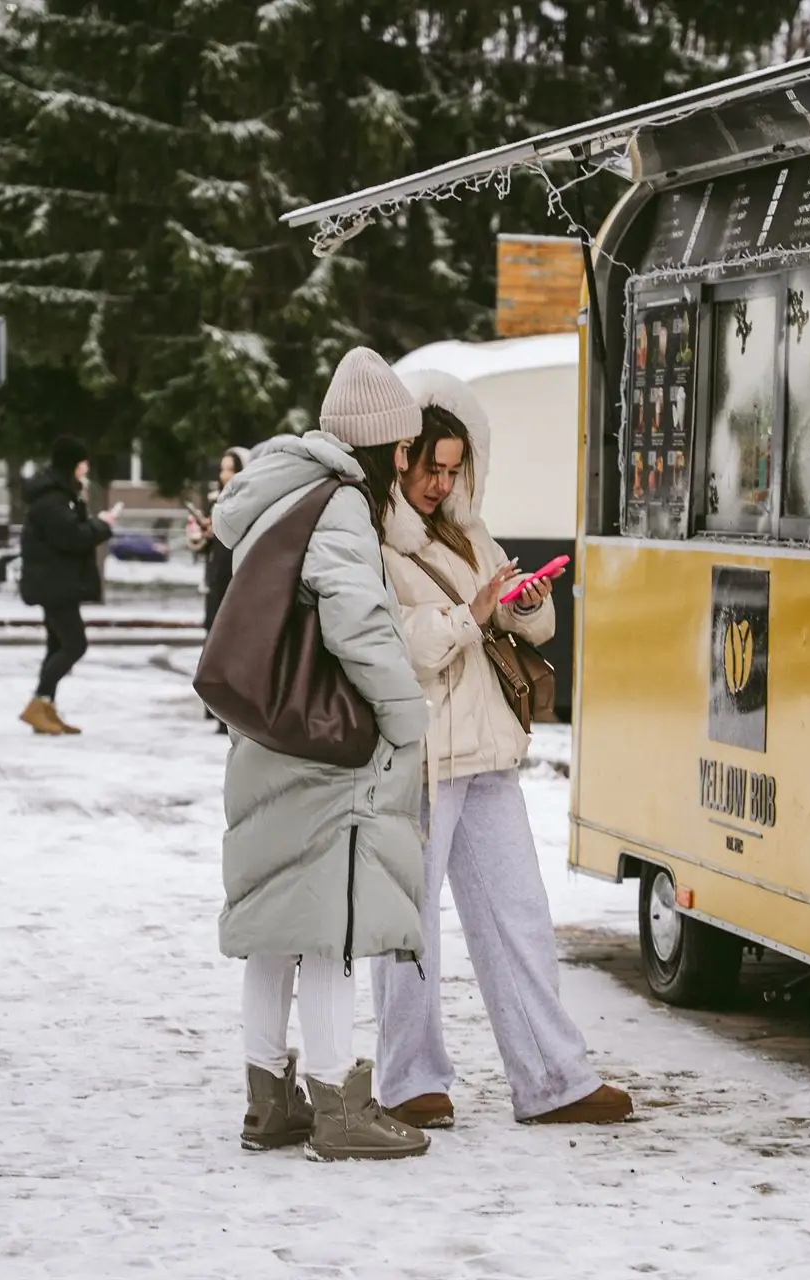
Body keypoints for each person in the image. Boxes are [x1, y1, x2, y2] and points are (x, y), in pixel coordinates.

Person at [373, 369, 634, 1129]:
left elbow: (534, 632)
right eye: (429, 466)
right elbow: (399, 642)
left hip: (485, 747)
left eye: (453, 467)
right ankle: (408, 1079)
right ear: (401, 457)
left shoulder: (468, 528)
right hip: (420, 755)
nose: (440, 481)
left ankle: (553, 1077)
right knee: (409, 927)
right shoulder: (376, 537)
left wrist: (525, 604)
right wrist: (470, 612)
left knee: (519, 914)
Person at [207, 347, 430, 1162]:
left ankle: (269, 1102)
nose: (407, 463)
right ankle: (339, 1102)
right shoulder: (339, 504)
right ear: (384, 445)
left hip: (269, 735)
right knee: (332, 922)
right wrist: (408, 717)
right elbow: (358, 626)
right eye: (405, 449)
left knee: (275, 921)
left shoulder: (276, 492)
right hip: (323, 748)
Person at [18, 436, 119, 736]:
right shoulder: (52, 499)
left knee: (57, 645)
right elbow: (71, 536)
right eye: (82, 462)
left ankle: (46, 708)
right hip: (54, 583)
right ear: (72, 464)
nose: (86, 467)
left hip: (57, 581)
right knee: (75, 644)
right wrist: (102, 525)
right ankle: (38, 703)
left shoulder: (60, 494)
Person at [188, 447, 251, 733]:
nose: (225, 474)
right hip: (216, 578)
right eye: (223, 468)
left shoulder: (248, 501)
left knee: (232, 646)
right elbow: (204, 547)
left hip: (236, 579)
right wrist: (201, 536)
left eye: (231, 468)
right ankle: (211, 706)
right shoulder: (216, 501)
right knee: (211, 642)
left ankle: (229, 713)